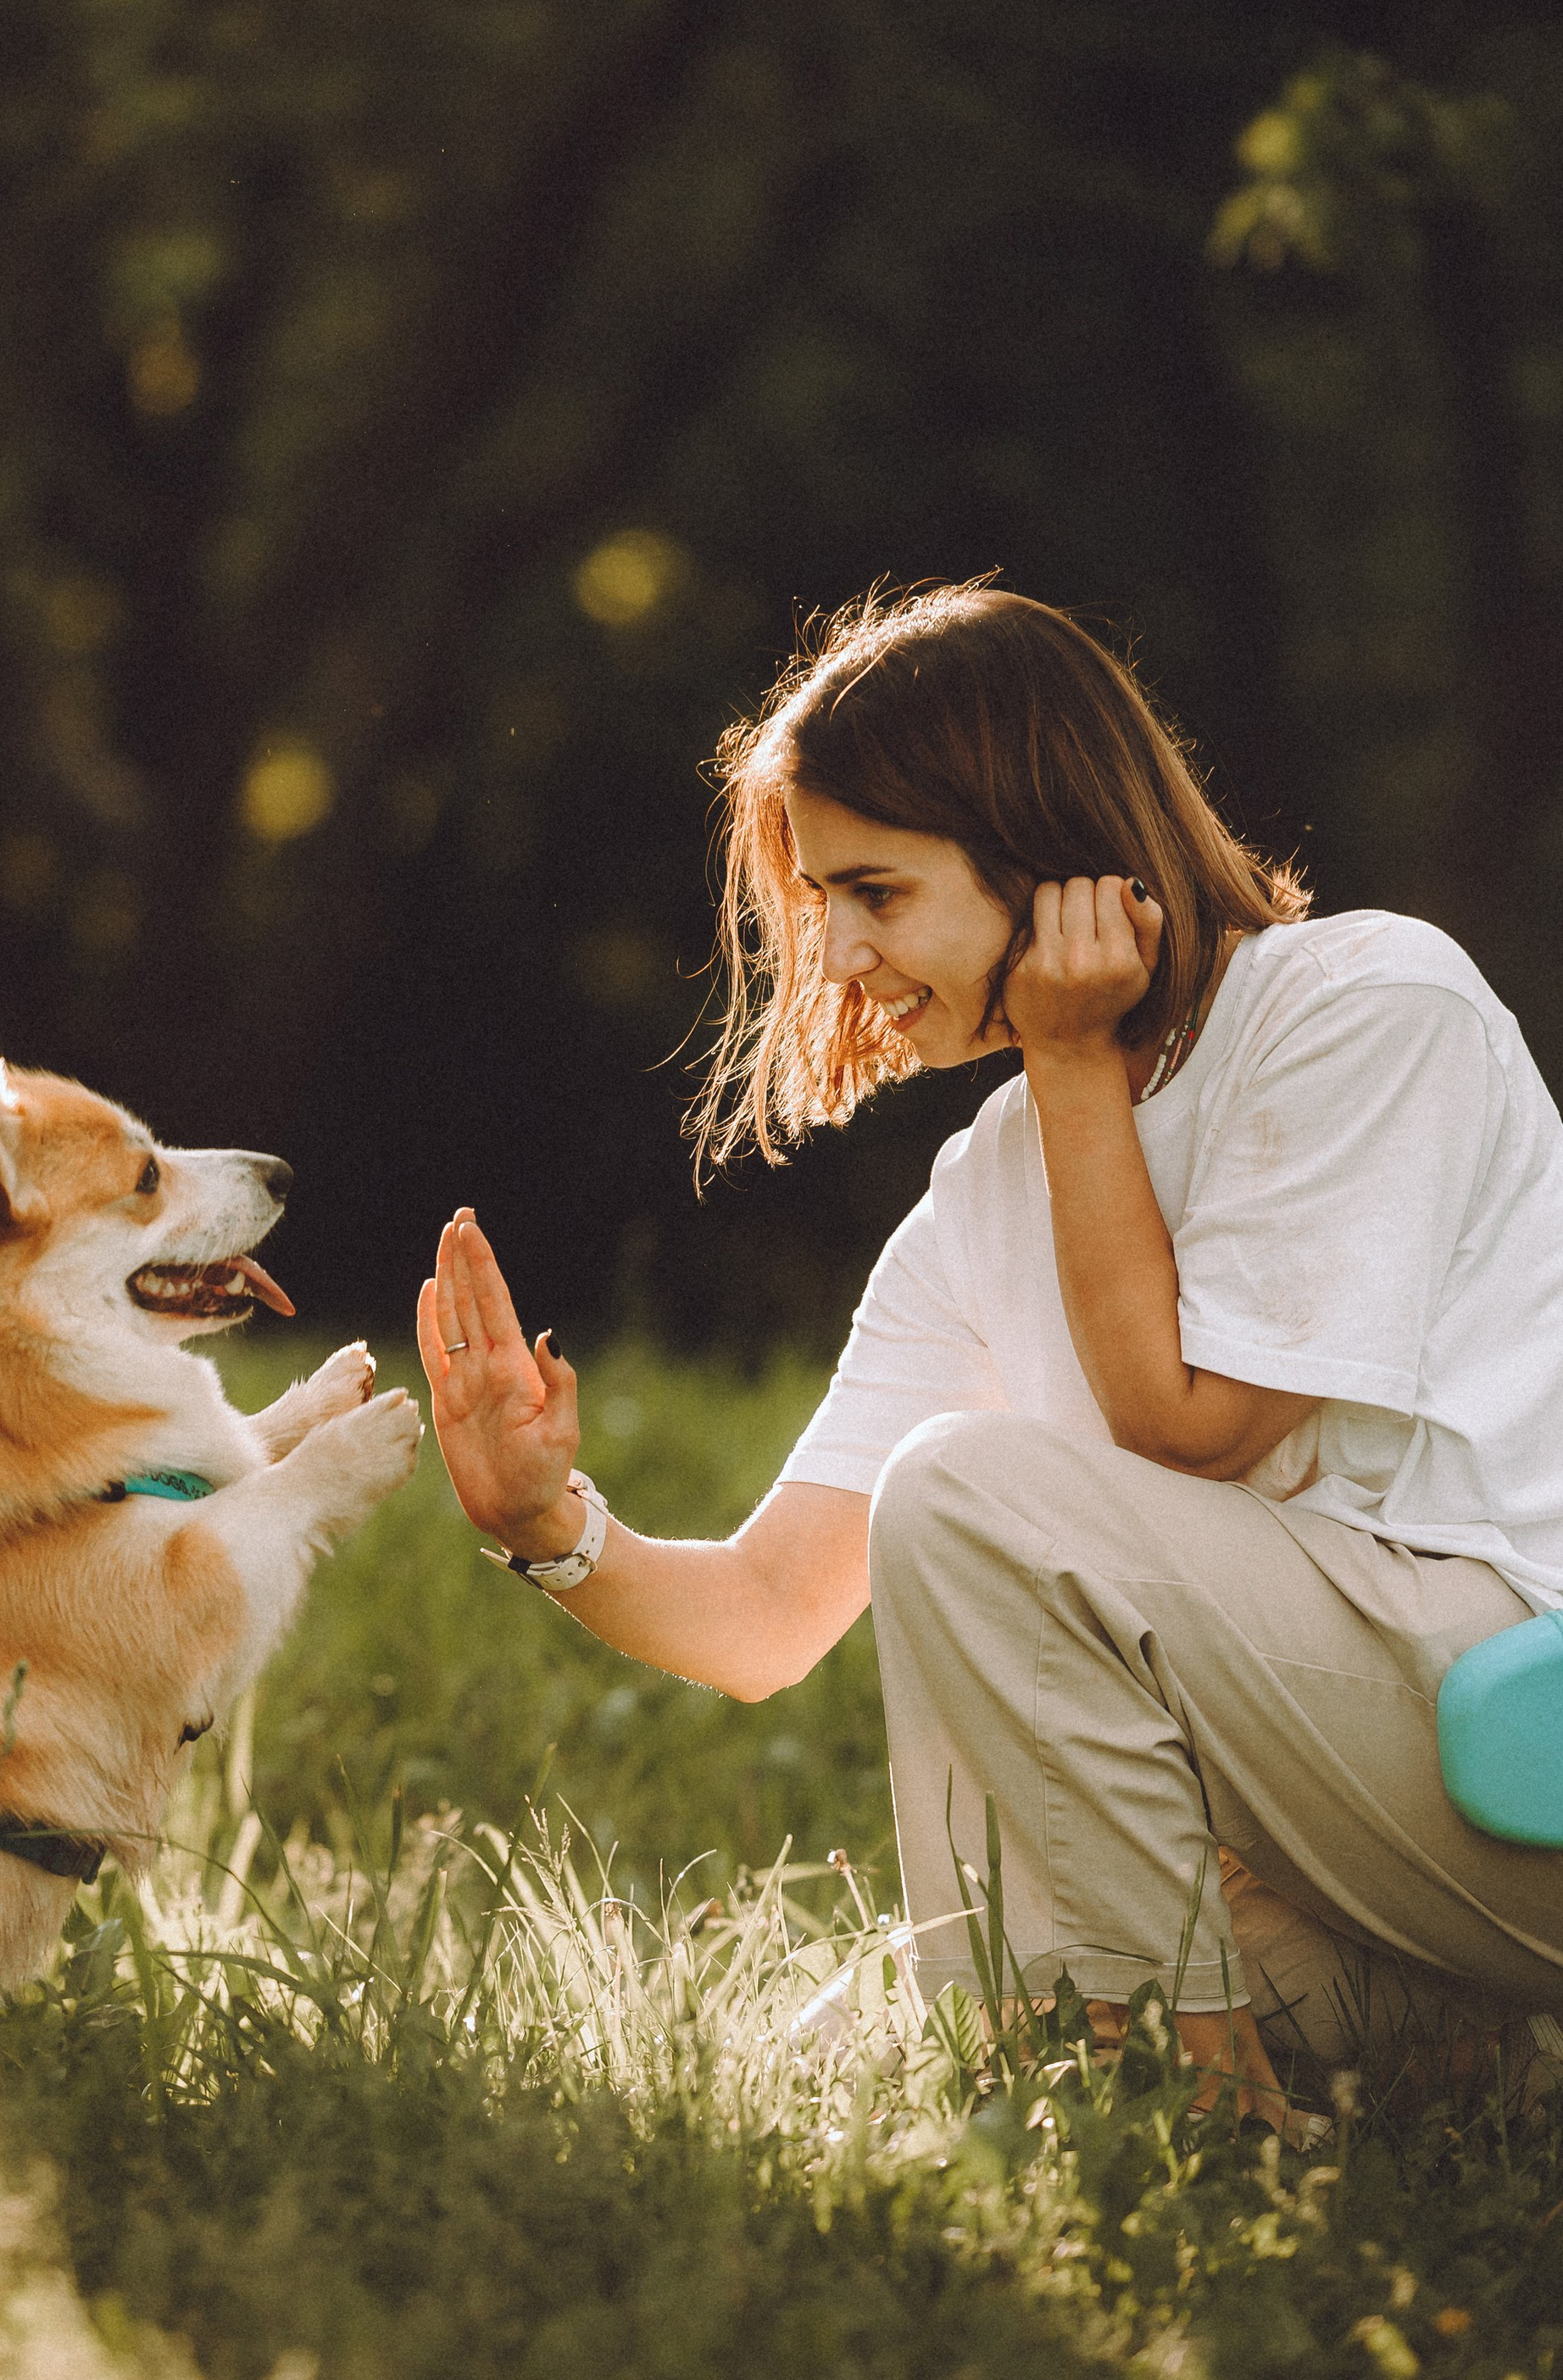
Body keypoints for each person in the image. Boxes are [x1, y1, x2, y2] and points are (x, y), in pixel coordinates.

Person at [417, 584, 1563, 2125]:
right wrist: (546, 1527)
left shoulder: (1366, 1005)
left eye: (876, 892)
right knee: (969, 2003)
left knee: (964, 1493)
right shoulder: (991, 1188)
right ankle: (1464, 2050)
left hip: (1518, 1742)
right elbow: (768, 1617)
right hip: (1363, 1826)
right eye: (824, 900)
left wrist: (1074, 1059)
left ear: (1045, 850)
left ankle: (1209, 2118)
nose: (839, 953)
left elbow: (1187, 1428)